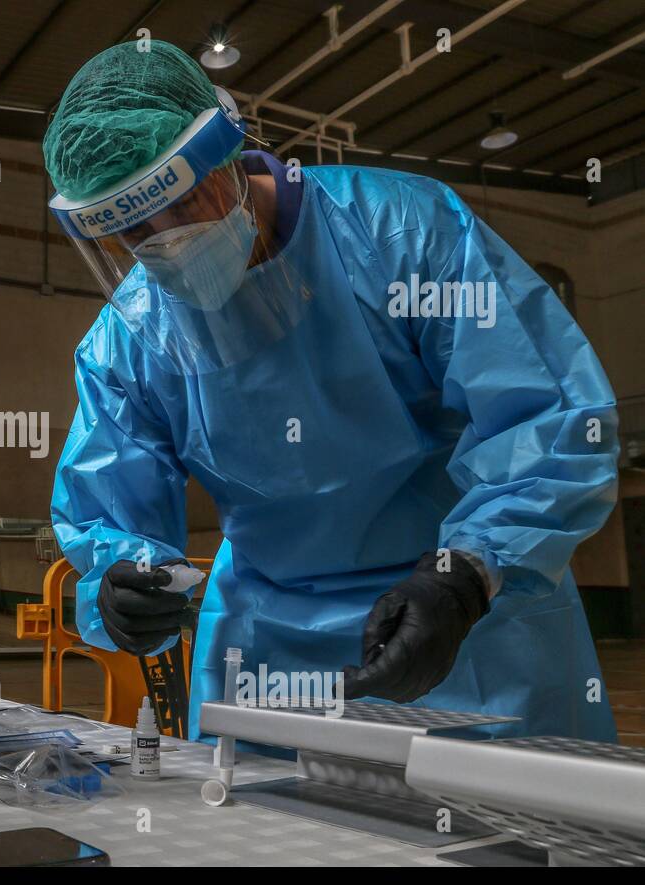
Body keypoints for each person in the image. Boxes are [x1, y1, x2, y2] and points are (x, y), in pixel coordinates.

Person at [44, 41, 619, 743]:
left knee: (500, 837)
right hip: (265, 646)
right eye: (130, 229)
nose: (166, 240)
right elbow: (107, 509)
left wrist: (465, 576)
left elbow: (548, 419)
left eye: (181, 199)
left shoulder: (403, 234)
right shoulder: (128, 339)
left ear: (229, 151)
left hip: (465, 623)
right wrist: (121, 584)